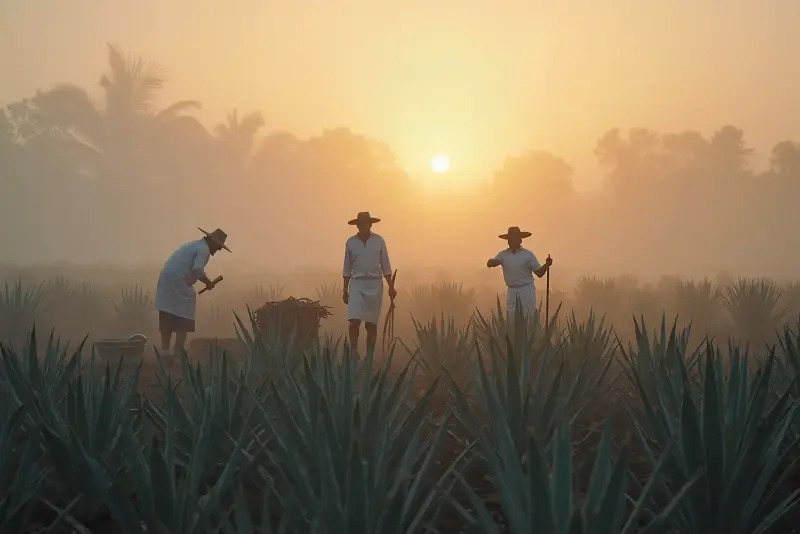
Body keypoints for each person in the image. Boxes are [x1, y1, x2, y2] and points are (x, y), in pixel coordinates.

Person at [154, 227, 230, 357]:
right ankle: (178, 350)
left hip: (167, 278)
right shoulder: (204, 250)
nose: (219, 250)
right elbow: (197, 270)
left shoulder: (195, 245)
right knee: (185, 310)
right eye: (219, 246)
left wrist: (207, 281)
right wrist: (208, 282)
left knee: (167, 311)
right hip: (178, 281)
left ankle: (165, 352)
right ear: (212, 242)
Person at [342, 212, 397, 357]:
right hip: (357, 284)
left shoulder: (379, 241)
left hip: (375, 284)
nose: (363, 226)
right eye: (360, 224)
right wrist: (344, 289)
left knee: (371, 324)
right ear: (357, 225)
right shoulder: (351, 242)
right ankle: (354, 350)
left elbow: (386, 265)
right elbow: (347, 267)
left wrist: (391, 286)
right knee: (354, 320)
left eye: (366, 223)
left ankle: (369, 356)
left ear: (370, 224)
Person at [486, 226, 552, 320]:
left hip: (526, 290)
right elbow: (491, 263)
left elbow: (539, 273)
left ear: (520, 240)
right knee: (512, 318)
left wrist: (546, 265)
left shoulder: (528, 255)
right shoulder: (503, 254)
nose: (511, 241)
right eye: (510, 239)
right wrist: (492, 262)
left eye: (514, 238)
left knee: (528, 316)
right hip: (511, 290)